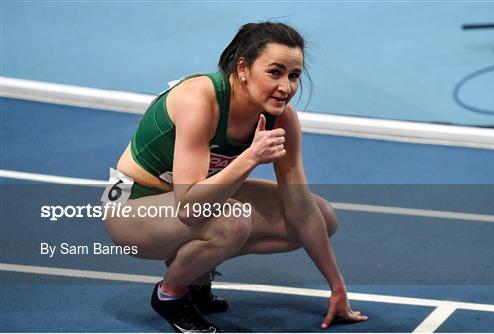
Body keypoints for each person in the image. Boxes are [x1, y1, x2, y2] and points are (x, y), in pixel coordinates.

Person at [102, 21, 368, 333]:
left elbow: (300, 207)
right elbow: (188, 207)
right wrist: (251, 157)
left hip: (188, 203)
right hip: (130, 204)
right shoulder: (199, 100)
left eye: (294, 75)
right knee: (232, 220)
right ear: (243, 69)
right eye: (275, 72)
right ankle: (170, 295)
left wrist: (337, 288)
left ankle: (196, 273)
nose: (287, 86)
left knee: (322, 217)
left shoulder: (281, 117)